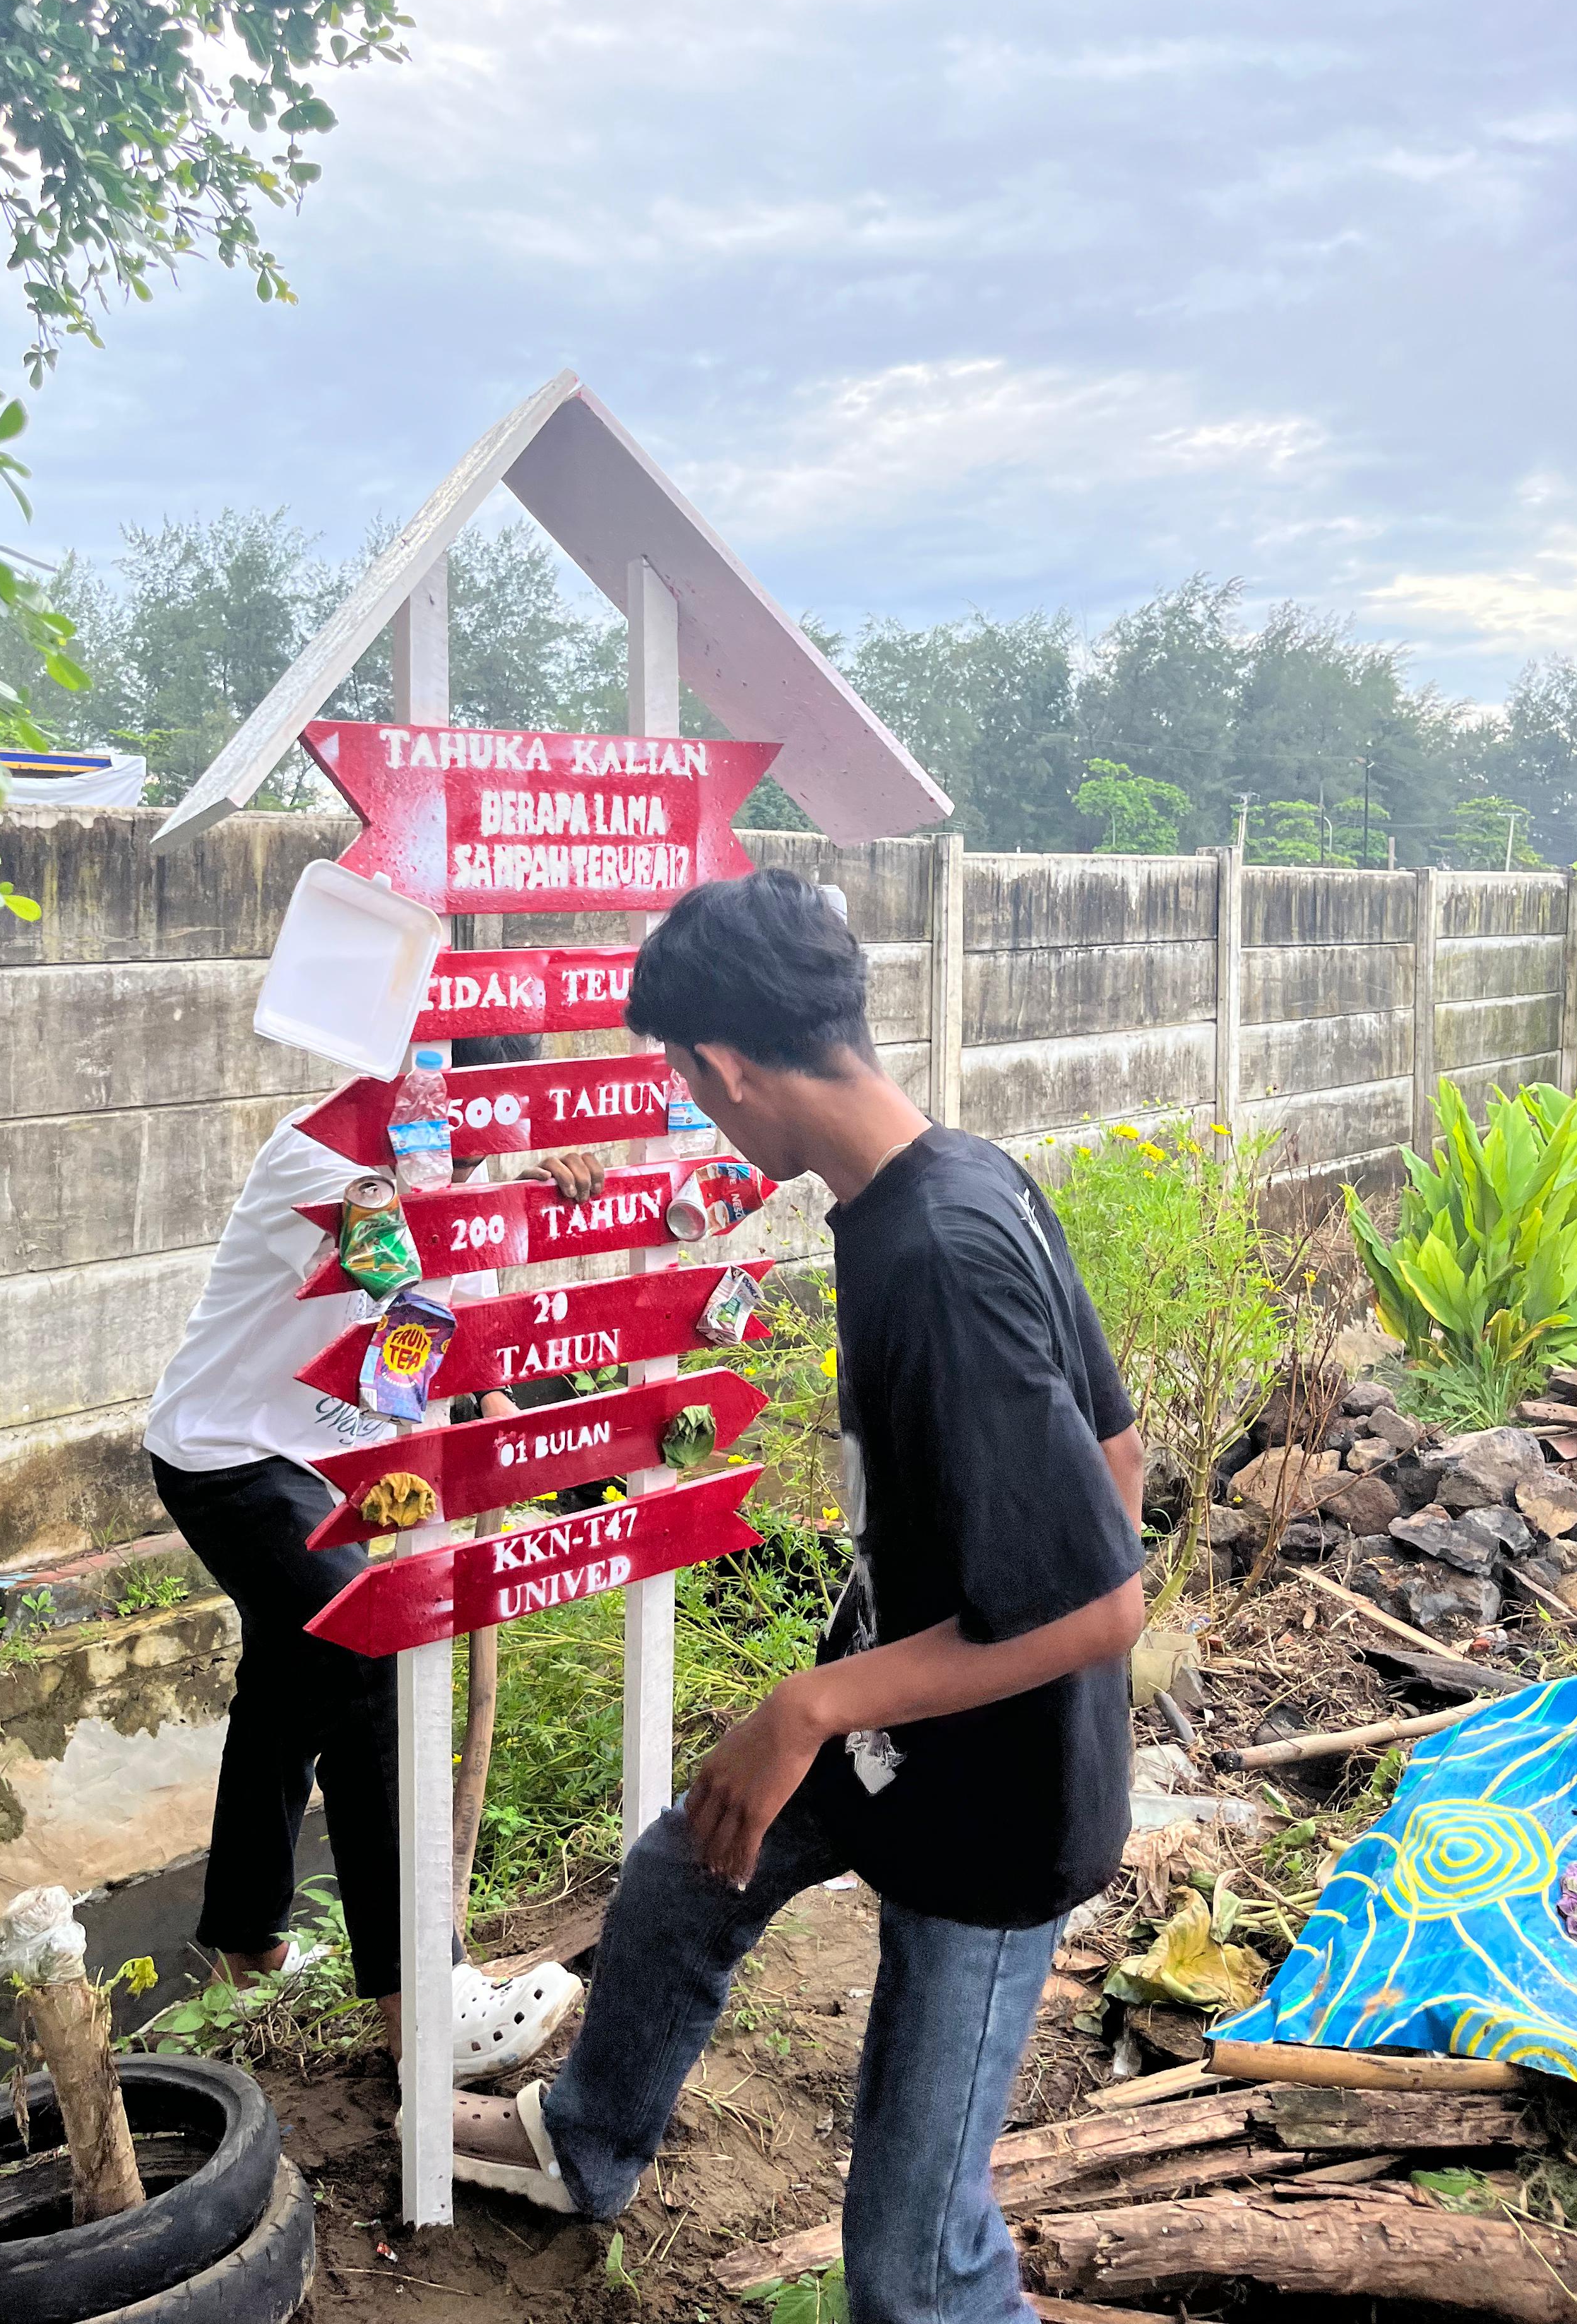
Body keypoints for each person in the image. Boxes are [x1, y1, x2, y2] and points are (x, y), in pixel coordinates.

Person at [446, 873, 1148, 2324]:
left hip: (998, 1818)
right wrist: (896, 1664)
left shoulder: (939, 1254)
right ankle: (585, 2146)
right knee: (682, 1873)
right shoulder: (951, 1174)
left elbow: (1101, 1609)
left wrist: (817, 1701)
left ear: (728, 1069)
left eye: (684, 1085)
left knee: (913, 2265)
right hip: (908, 1723)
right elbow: (1117, 1444)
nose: (699, 1115)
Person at [146, 1034, 600, 2076]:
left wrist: (498, 1400)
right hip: (231, 1455)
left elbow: (454, 1336)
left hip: (327, 1471)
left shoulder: (470, 1182)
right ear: (418, 1098)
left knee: (287, 1681)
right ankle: (421, 2012)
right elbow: (399, 1257)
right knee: (373, 1659)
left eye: (509, 1114)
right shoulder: (320, 1162)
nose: (499, 1134)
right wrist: (511, 1197)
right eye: (478, 1112)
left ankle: (246, 1941)